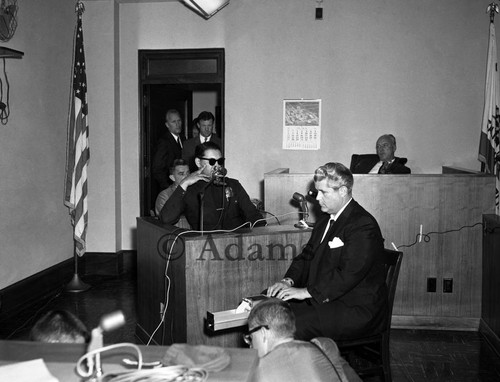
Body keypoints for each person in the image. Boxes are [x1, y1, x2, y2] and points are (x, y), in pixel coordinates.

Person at [266, 162, 387, 341]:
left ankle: (300, 367)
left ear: (343, 191)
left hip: (355, 308)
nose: (317, 198)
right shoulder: (324, 220)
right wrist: (288, 281)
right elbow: (306, 257)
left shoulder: (362, 224)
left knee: (286, 325)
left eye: (324, 192)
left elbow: (348, 275)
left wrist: (306, 292)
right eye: (317, 192)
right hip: (328, 300)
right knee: (264, 305)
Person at [246, 298, 361, 382]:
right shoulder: (325, 347)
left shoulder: (258, 372)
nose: (250, 345)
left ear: (263, 333)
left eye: (250, 338)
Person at [160, 141, 264, 230]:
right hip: (206, 246)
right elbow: (166, 219)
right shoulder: (190, 190)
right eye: (212, 161)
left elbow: (254, 217)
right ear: (198, 162)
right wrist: (184, 183)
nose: (217, 166)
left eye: (220, 161)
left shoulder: (233, 184)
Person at [152, 109, 185, 189]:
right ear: (167, 125)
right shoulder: (164, 141)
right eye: (173, 122)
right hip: (170, 187)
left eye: (179, 120)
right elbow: (157, 169)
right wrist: (167, 188)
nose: (177, 124)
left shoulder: (184, 139)